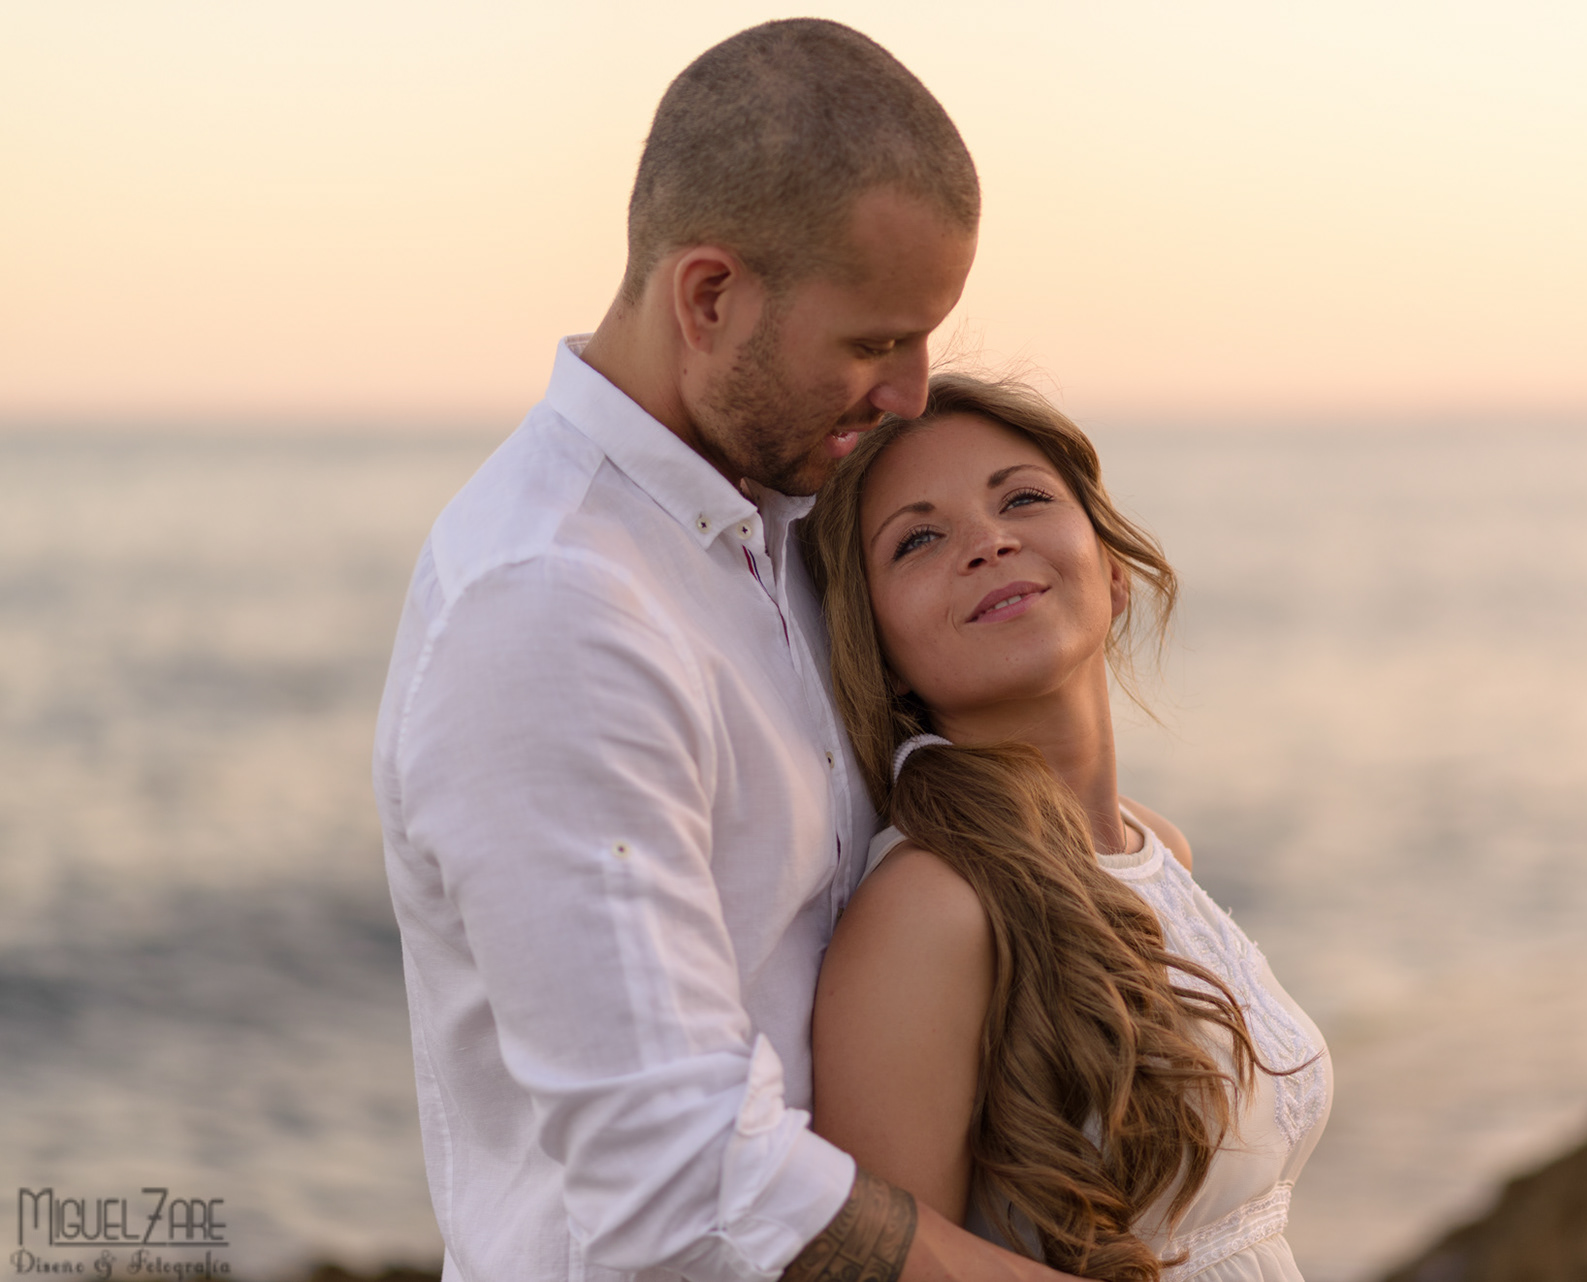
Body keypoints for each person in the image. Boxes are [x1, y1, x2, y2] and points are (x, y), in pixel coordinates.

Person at [373, 21, 1081, 1282]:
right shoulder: (555, 606)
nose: (912, 392)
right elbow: (683, 1188)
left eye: (925, 336)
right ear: (709, 298)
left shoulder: (782, 521)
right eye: (874, 342)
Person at [801, 375, 1334, 1282]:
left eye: (1022, 499)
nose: (989, 541)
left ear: (1113, 571)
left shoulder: (1154, 849)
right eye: (919, 540)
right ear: (877, 650)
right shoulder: (933, 907)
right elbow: (875, 1268)